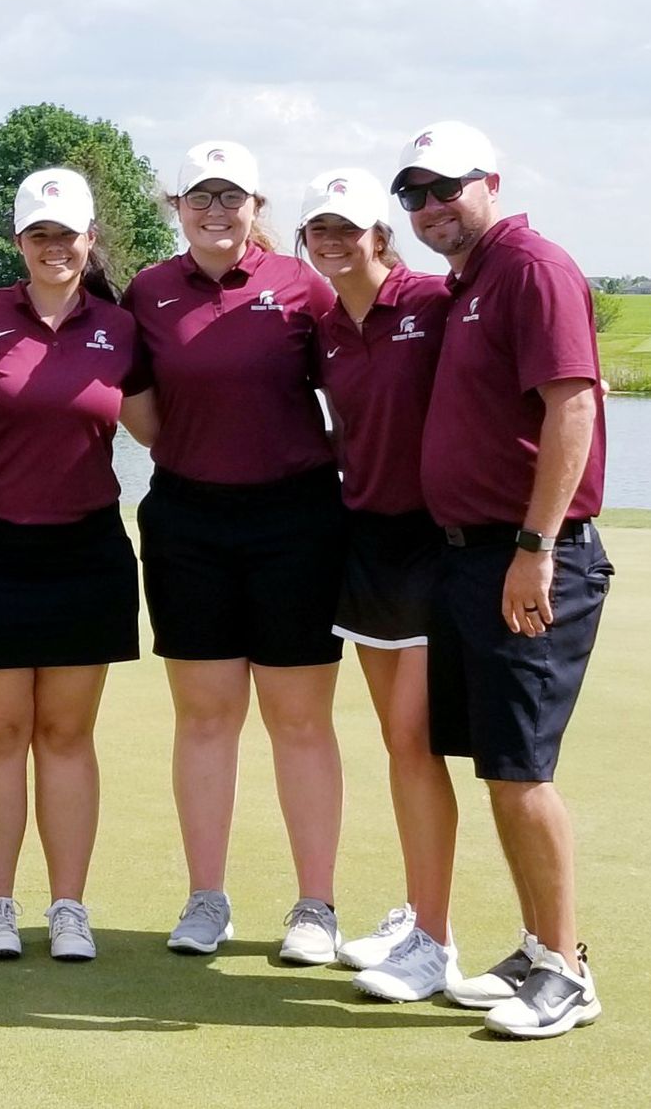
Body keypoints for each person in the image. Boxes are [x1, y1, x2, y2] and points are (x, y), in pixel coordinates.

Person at [393, 121, 612, 1039]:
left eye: (446, 187)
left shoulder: (529, 266)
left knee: (522, 772)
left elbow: (571, 403)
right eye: (414, 195)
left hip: (522, 555)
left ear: (489, 180)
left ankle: (565, 971)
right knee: (496, 766)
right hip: (467, 554)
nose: (430, 207)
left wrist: (535, 544)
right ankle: (536, 944)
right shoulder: (470, 280)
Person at [123, 140, 347, 963]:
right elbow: (137, 408)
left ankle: (315, 907)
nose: (214, 211)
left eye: (231, 197)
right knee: (207, 716)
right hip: (188, 521)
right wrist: (194, 454)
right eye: (198, 197)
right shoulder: (148, 290)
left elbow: (348, 399)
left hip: (296, 521)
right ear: (175, 206)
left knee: (297, 720)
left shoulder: (301, 288)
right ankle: (206, 898)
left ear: (256, 206)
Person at [0, 169, 149, 962]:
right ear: (17, 241)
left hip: (86, 548)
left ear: (90, 238)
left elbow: (168, 424)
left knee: (65, 734)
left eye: (67, 233)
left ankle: (68, 908)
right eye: (39, 234)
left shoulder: (119, 327)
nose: (54, 247)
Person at [298, 169, 461, 1000]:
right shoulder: (321, 324)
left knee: (413, 742)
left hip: (436, 543)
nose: (332, 242)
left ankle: (435, 939)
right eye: (317, 229)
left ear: (378, 234)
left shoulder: (431, 304)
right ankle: (417, 911)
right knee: (398, 745)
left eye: (347, 228)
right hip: (362, 541)